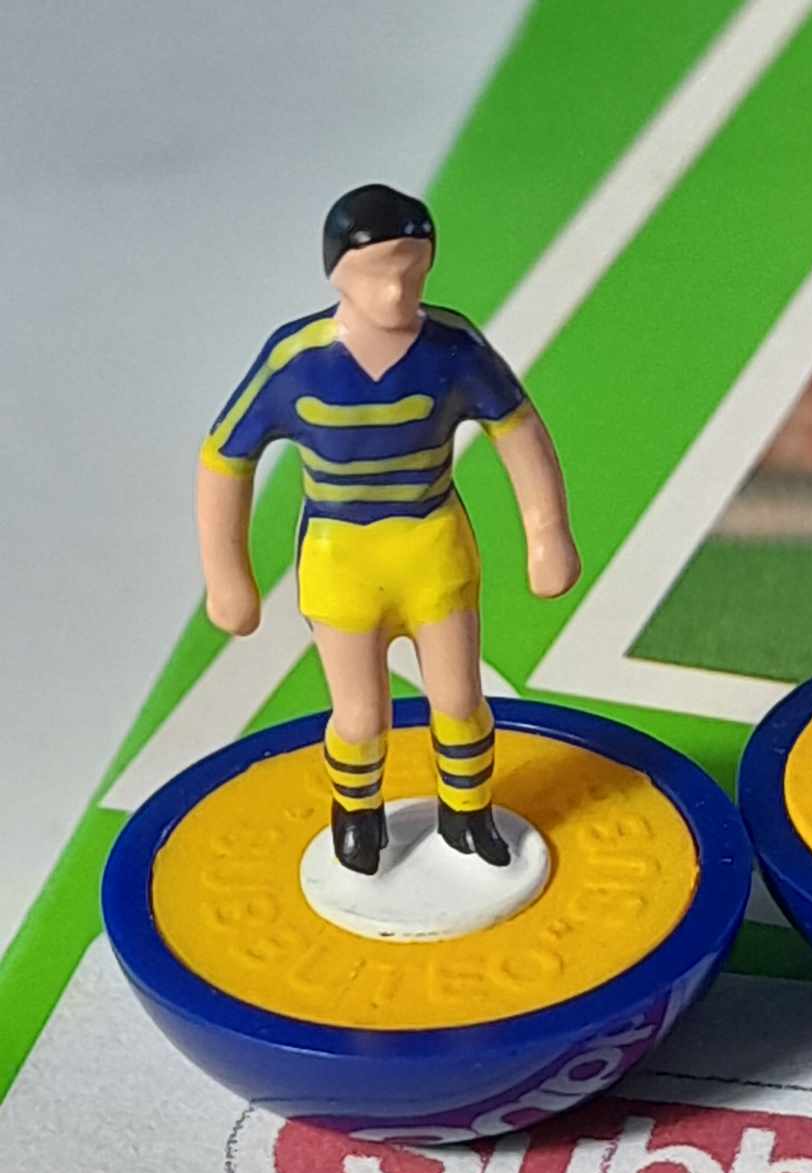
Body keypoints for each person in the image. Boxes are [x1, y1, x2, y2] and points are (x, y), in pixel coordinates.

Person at [197, 184, 579, 874]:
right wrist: (227, 575)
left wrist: (547, 532)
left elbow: (518, 430)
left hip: (433, 548)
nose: (397, 291)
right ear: (337, 273)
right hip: (341, 559)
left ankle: (467, 812)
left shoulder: (453, 348)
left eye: (413, 271)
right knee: (361, 716)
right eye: (377, 272)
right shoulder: (297, 360)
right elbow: (225, 457)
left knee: (459, 698)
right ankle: (357, 816)